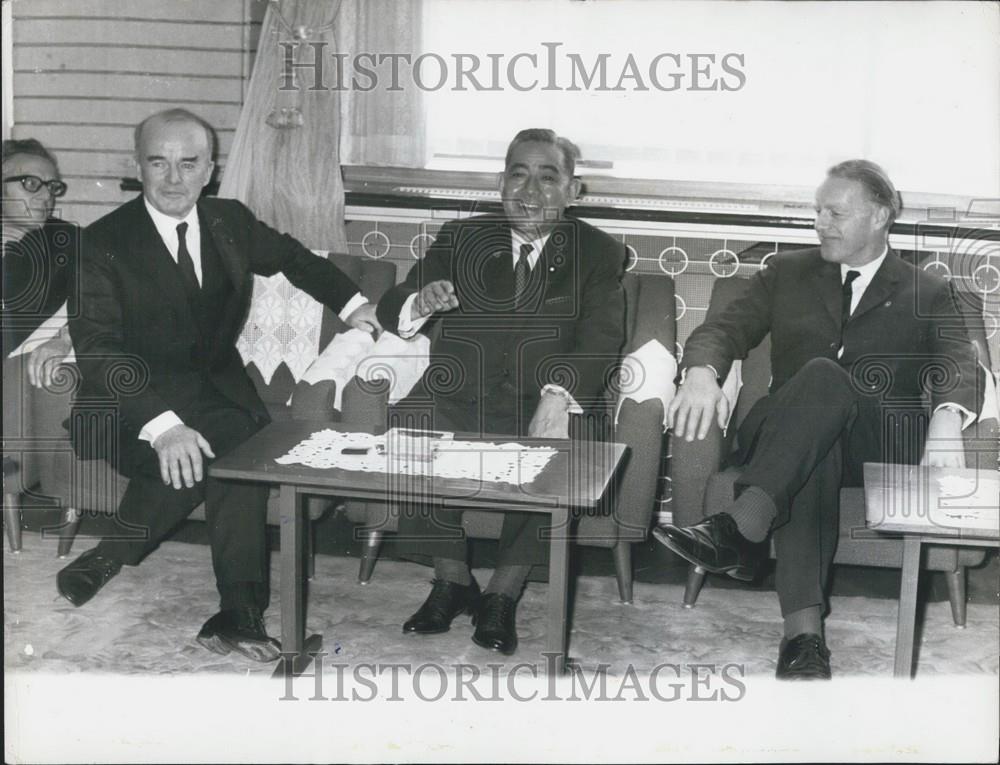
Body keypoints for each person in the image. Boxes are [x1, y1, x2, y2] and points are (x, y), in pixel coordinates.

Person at [55, 108, 380, 662]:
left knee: (229, 444)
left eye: (189, 163)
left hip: (216, 394)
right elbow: (100, 350)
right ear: (138, 167)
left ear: (210, 169)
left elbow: (296, 260)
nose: (174, 179)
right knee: (236, 450)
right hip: (128, 407)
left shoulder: (229, 221)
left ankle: (124, 558)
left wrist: (355, 305)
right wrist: (163, 429)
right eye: (159, 162)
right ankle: (236, 612)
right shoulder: (101, 243)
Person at [654, 160, 982, 679]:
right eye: (817, 211)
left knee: (822, 403)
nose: (821, 223)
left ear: (879, 216)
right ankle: (801, 636)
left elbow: (957, 362)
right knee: (817, 408)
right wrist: (699, 374)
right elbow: (723, 329)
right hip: (783, 433)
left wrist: (946, 416)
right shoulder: (786, 272)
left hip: (872, 444)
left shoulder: (928, 291)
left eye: (836, 212)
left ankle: (751, 544)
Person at [375, 128, 626, 655]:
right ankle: (451, 578)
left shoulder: (600, 253)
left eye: (548, 177)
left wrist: (557, 396)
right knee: (410, 422)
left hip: (546, 398)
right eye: (518, 173)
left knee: (568, 443)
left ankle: (503, 592)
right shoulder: (462, 238)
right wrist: (420, 300)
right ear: (500, 182)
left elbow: (602, 337)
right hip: (460, 393)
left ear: (573, 191)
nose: (530, 190)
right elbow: (394, 300)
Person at [2, 138, 77, 387]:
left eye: (52, 187)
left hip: (26, 383)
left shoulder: (73, 243)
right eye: (31, 184)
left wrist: (65, 338)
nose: (47, 196)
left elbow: (109, 306)